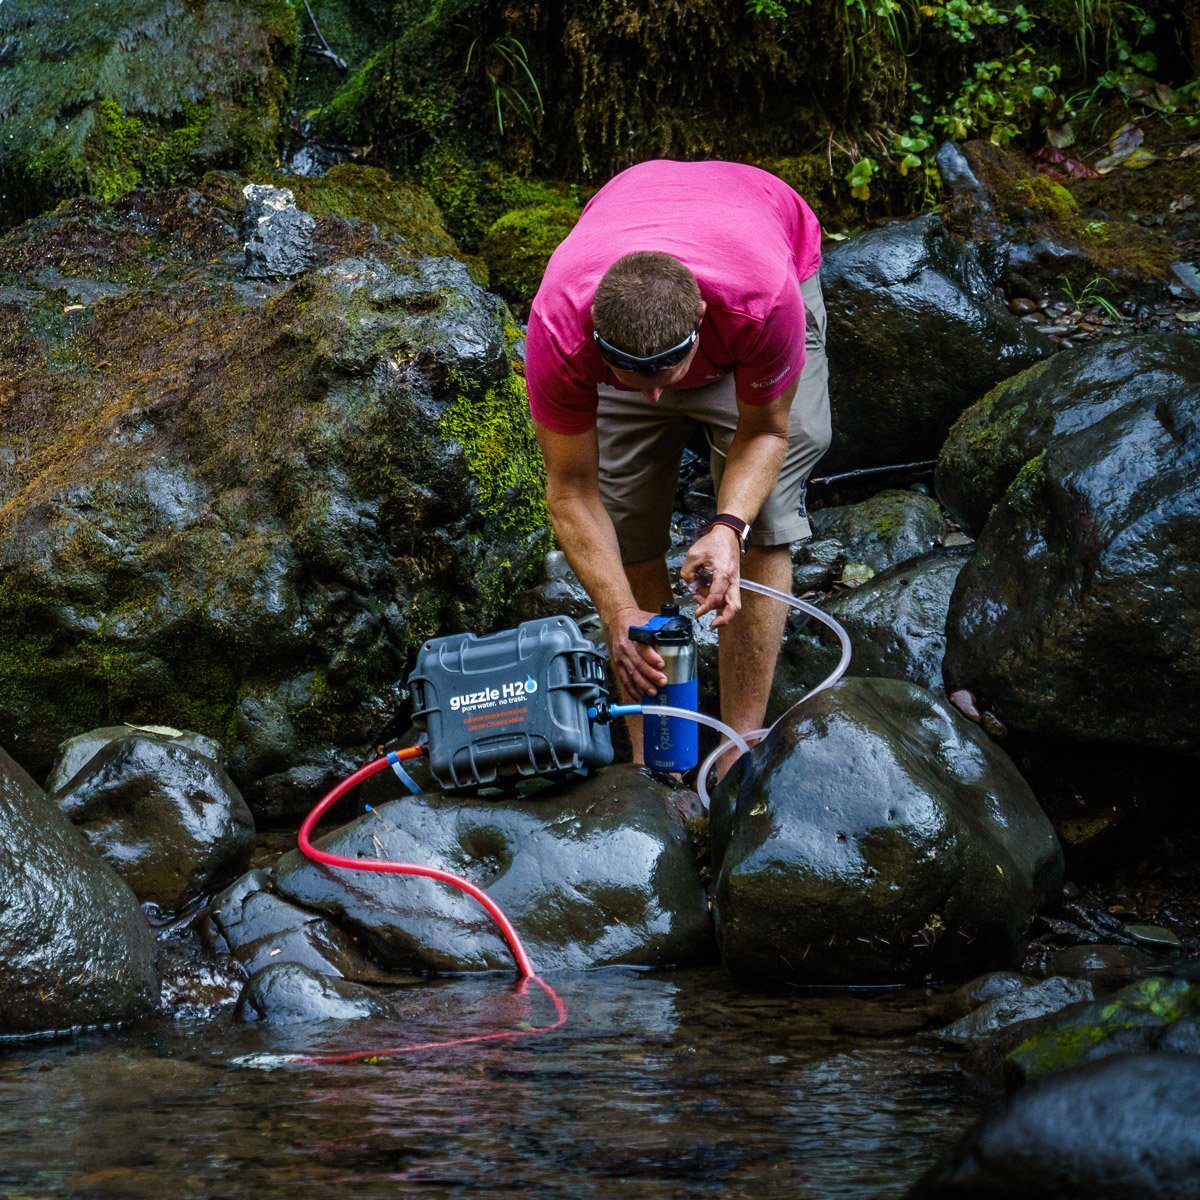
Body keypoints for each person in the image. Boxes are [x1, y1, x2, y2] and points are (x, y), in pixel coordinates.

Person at [524, 159, 829, 771]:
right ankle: (655, 756)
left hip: (761, 239)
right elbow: (571, 489)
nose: (657, 399)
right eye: (633, 382)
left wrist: (728, 528)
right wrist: (617, 615)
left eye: (668, 380)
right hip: (628, 263)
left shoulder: (762, 300)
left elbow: (767, 431)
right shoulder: (559, 329)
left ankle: (736, 750)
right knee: (624, 524)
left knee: (764, 520)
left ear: (697, 331)